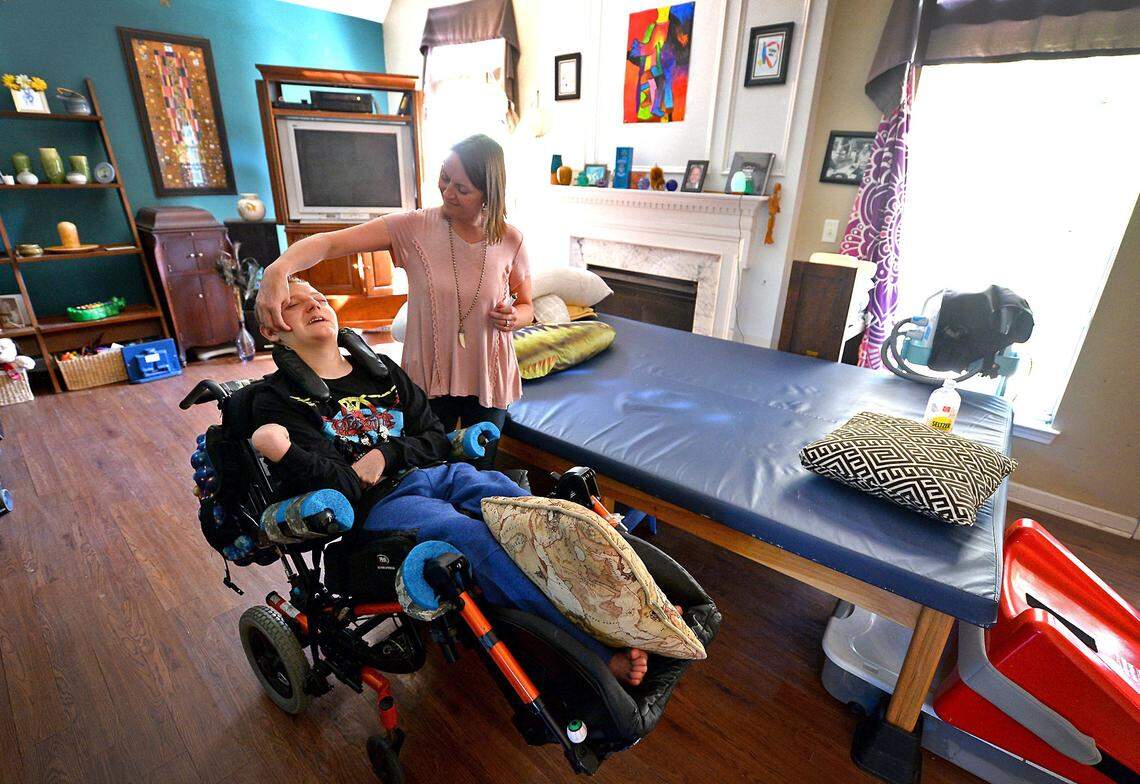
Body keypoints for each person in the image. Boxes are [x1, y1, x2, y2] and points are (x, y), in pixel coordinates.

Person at [249, 277, 649, 687]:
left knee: (531, 510)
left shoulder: (381, 371)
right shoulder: (277, 401)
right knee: (470, 535)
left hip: (439, 473)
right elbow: (342, 485)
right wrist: (287, 453)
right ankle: (593, 652)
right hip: (381, 504)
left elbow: (435, 438)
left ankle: (634, 604)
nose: (315, 305)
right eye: (294, 304)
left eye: (319, 297)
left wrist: (387, 454)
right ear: (270, 329)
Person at [256, 134, 534, 447]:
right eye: (444, 178)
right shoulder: (412, 227)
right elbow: (329, 243)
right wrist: (277, 270)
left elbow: (527, 307)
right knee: (424, 464)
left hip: (490, 375)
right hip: (428, 378)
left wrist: (515, 317)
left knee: (482, 469)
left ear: (488, 193)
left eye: (462, 188)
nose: (447, 192)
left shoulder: (511, 240)